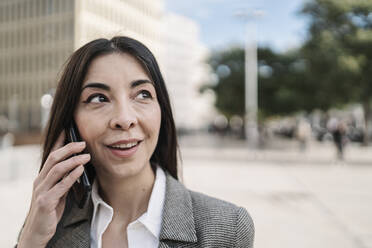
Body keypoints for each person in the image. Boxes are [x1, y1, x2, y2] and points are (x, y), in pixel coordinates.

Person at [16, 36, 254, 248]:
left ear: (162, 110)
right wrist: (30, 242)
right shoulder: (46, 225)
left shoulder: (228, 228)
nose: (124, 119)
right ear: (71, 124)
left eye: (143, 94)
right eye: (99, 98)